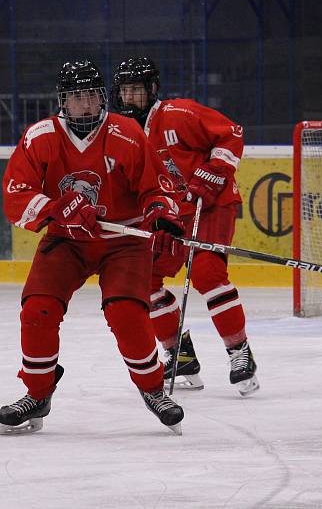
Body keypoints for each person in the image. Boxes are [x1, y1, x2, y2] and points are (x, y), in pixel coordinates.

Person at [0, 60, 186, 435]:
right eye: (76, 97)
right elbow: (15, 194)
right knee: (37, 309)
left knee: (127, 313)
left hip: (123, 241)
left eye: (92, 96)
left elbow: (155, 187)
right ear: (63, 101)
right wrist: (54, 209)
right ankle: (38, 392)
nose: (85, 105)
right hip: (68, 241)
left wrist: (161, 216)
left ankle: (153, 388)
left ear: (103, 98)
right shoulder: (41, 137)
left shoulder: (126, 133)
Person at [111, 57, 259, 396]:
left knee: (207, 273)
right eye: (124, 91)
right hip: (172, 214)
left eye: (135, 90)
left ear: (151, 89)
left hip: (211, 205)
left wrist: (215, 171)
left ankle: (240, 353)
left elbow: (231, 133)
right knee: (144, 279)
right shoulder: (124, 132)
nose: (129, 97)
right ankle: (182, 357)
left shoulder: (179, 114)